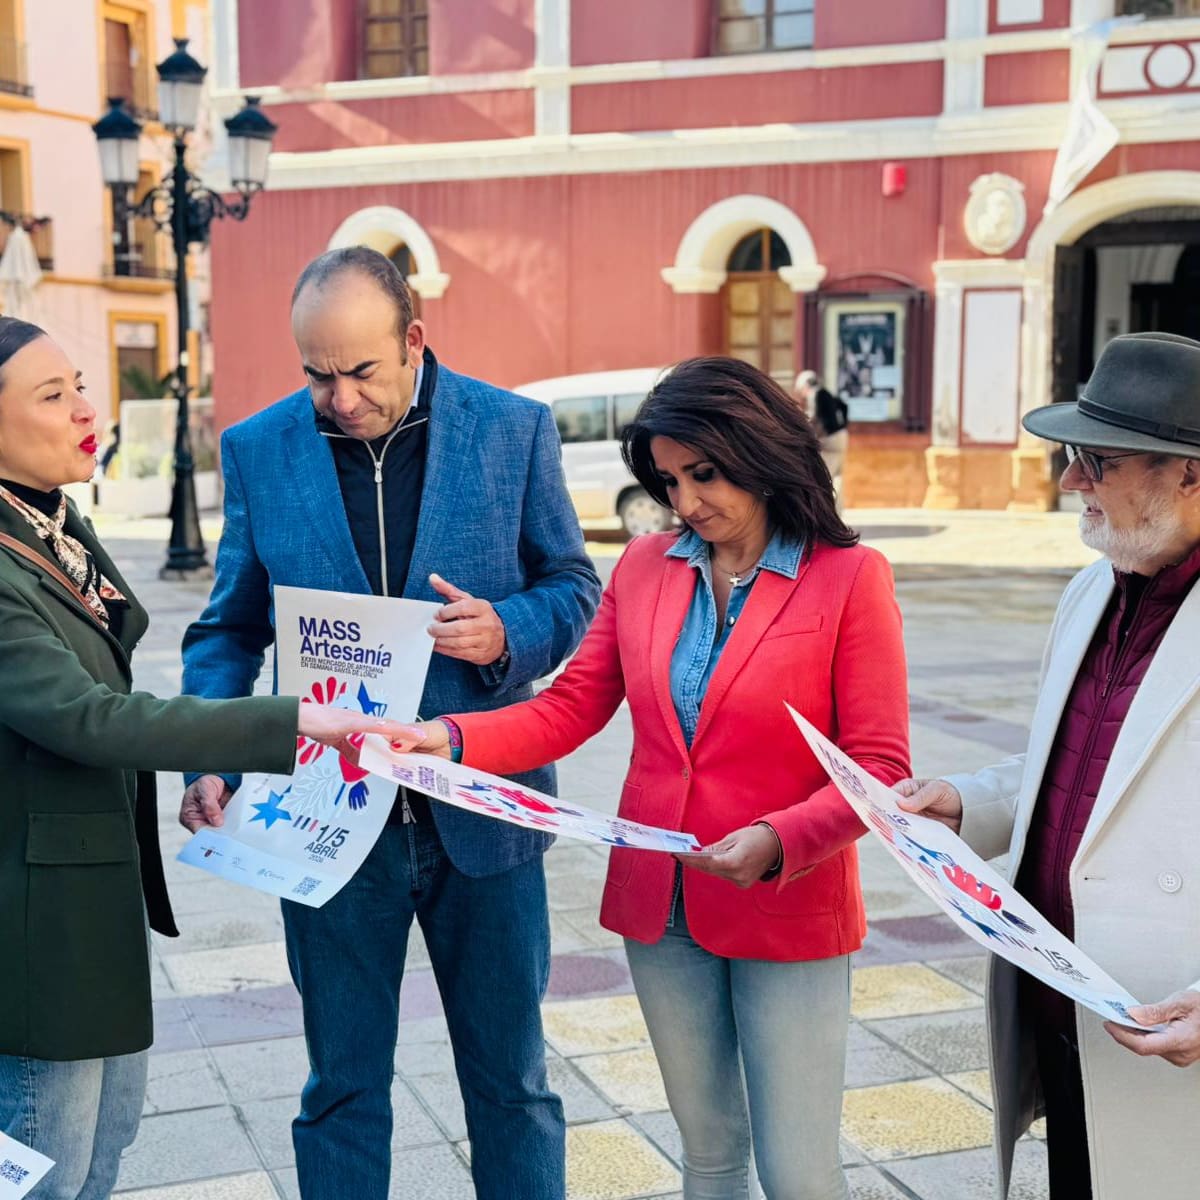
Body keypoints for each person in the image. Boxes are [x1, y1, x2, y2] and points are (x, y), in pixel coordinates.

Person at [389, 356, 911, 1200]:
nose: (687, 502)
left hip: (788, 900)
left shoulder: (849, 578)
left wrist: (781, 839)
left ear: (762, 451)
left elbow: (880, 768)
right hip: (659, 901)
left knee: (800, 1172)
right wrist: (444, 738)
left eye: (705, 474)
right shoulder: (643, 567)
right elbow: (568, 712)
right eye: (669, 480)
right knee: (707, 1155)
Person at [178, 247, 601, 1200]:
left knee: (513, 1086)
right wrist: (212, 753)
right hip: (327, 828)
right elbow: (230, 626)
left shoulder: (514, 430)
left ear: (413, 339)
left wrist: (507, 631)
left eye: (360, 371)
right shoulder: (258, 447)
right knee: (341, 1088)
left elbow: (574, 586)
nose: (339, 398)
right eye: (316, 374)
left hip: (483, 815)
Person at [0, 316, 410, 1200]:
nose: (84, 406)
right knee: (43, 1165)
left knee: (102, 1147)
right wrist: (292, 722)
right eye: (51, 394)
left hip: (88, 901)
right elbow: (91, 718)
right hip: (33, 924)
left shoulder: (44, 522)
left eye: (76, 382)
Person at [895, 331, 1200, 1200]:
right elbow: (1084, 757)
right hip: (1075, 1000)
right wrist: (969, 803)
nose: (1070, 481)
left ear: (1190, 473)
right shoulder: (1094, 586)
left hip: (1175, 1021)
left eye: (1095, 460)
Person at [795, 370, 849, 507]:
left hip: (830, 441)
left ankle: (827, 512)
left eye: (801, 390)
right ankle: (837, 510)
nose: (802, 394)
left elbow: (812, 419)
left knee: (823, 478)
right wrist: (842, 424)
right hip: (841, 437)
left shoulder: (815, 394)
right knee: (837, 477)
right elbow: (844, 406)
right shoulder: (825, 393)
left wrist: (804, 435)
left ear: (806, 385)